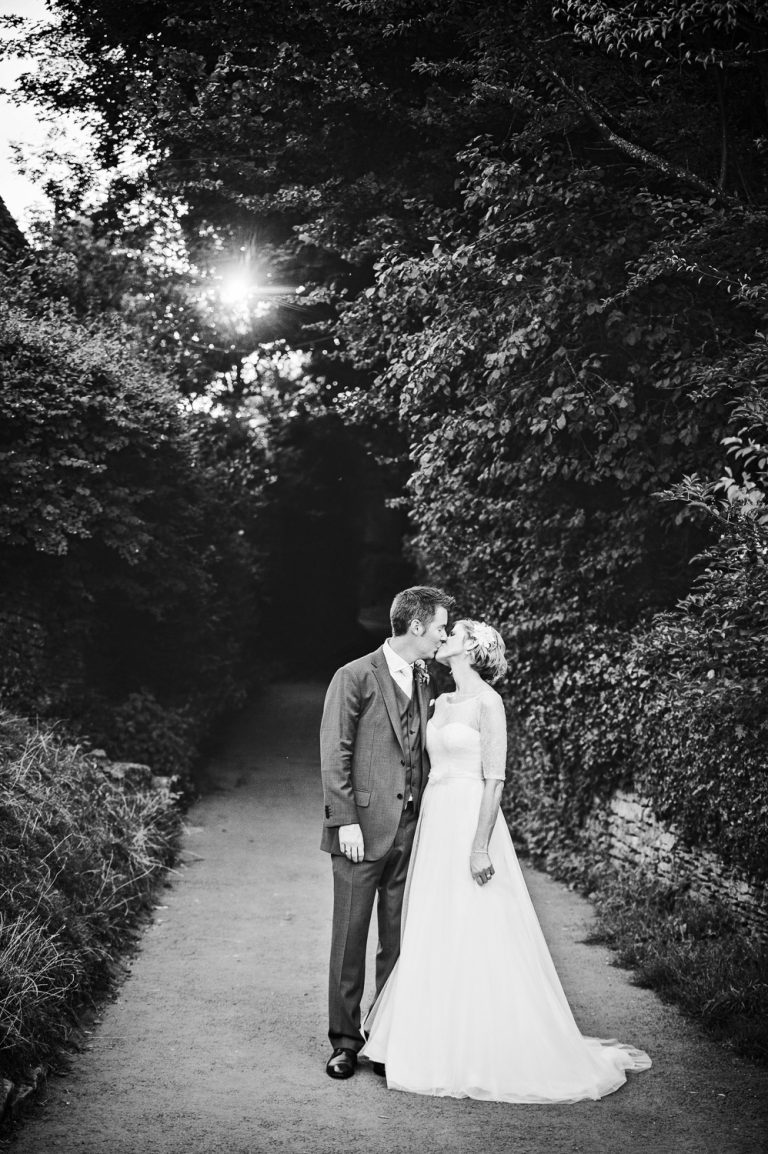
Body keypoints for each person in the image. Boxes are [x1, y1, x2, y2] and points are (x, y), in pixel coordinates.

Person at [360, 618, 652, 1102]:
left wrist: (479, 846)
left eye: (454, 634)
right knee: (436, 924)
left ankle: (483, 1045)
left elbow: (494, 779)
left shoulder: (488, 704)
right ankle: (428, 1038)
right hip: (436, 819)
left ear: (470, 649)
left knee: (479, 924)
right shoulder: (440, 700)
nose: (445, 636)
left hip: (471, 820)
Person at [320, 585, 455, 1080]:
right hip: (360, 829)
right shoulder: (353, 676)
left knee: (398, 940)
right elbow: (334, 754)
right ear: (416, 626)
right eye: (440, 625)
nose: (443, 634)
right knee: (350, 939)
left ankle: (387, 1034)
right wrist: (345, 820)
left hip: (413, 831)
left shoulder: (427, 678)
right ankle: (344, 1042)